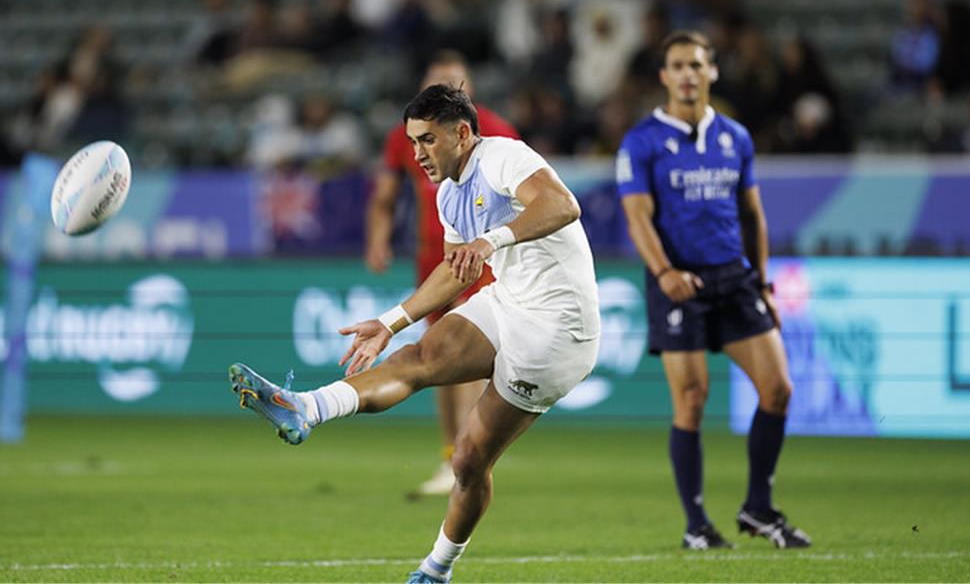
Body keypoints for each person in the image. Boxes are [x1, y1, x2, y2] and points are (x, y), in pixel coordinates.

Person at [231, 84, 601, 584]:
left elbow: (562, 205)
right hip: (509, 301)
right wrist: (389, 322)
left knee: (470, 459)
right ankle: (306, 407)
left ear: (463, 133)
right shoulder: (449, 194)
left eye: (427, 140)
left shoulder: (503, 157)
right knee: (417, 356)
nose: (417, 154)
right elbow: (456, 271)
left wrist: (489, 242)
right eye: (411, 142)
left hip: (558, 330)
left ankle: (436, 569)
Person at [615, 31, 811, 551]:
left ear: (712, 72)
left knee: (778, 389)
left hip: (734, 277)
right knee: (693, 400)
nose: (687, 74)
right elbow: (638, 218)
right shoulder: (641, 142)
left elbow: (752, 214)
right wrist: (664, 274)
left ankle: (758, 508)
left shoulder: (735, 138)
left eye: (696, 65)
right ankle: (696, 523)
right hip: (678, 282)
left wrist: (763, 281)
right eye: (677, 65)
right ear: (663, 76)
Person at [364, 51, 520, 498]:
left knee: (462, 354)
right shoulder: (405, 137)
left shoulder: (496, 130)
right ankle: (452, 453)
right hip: (433, 258)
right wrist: (378, 239)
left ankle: (466, 458)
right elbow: (385, 196)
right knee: (434, 355)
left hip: (482, 258)